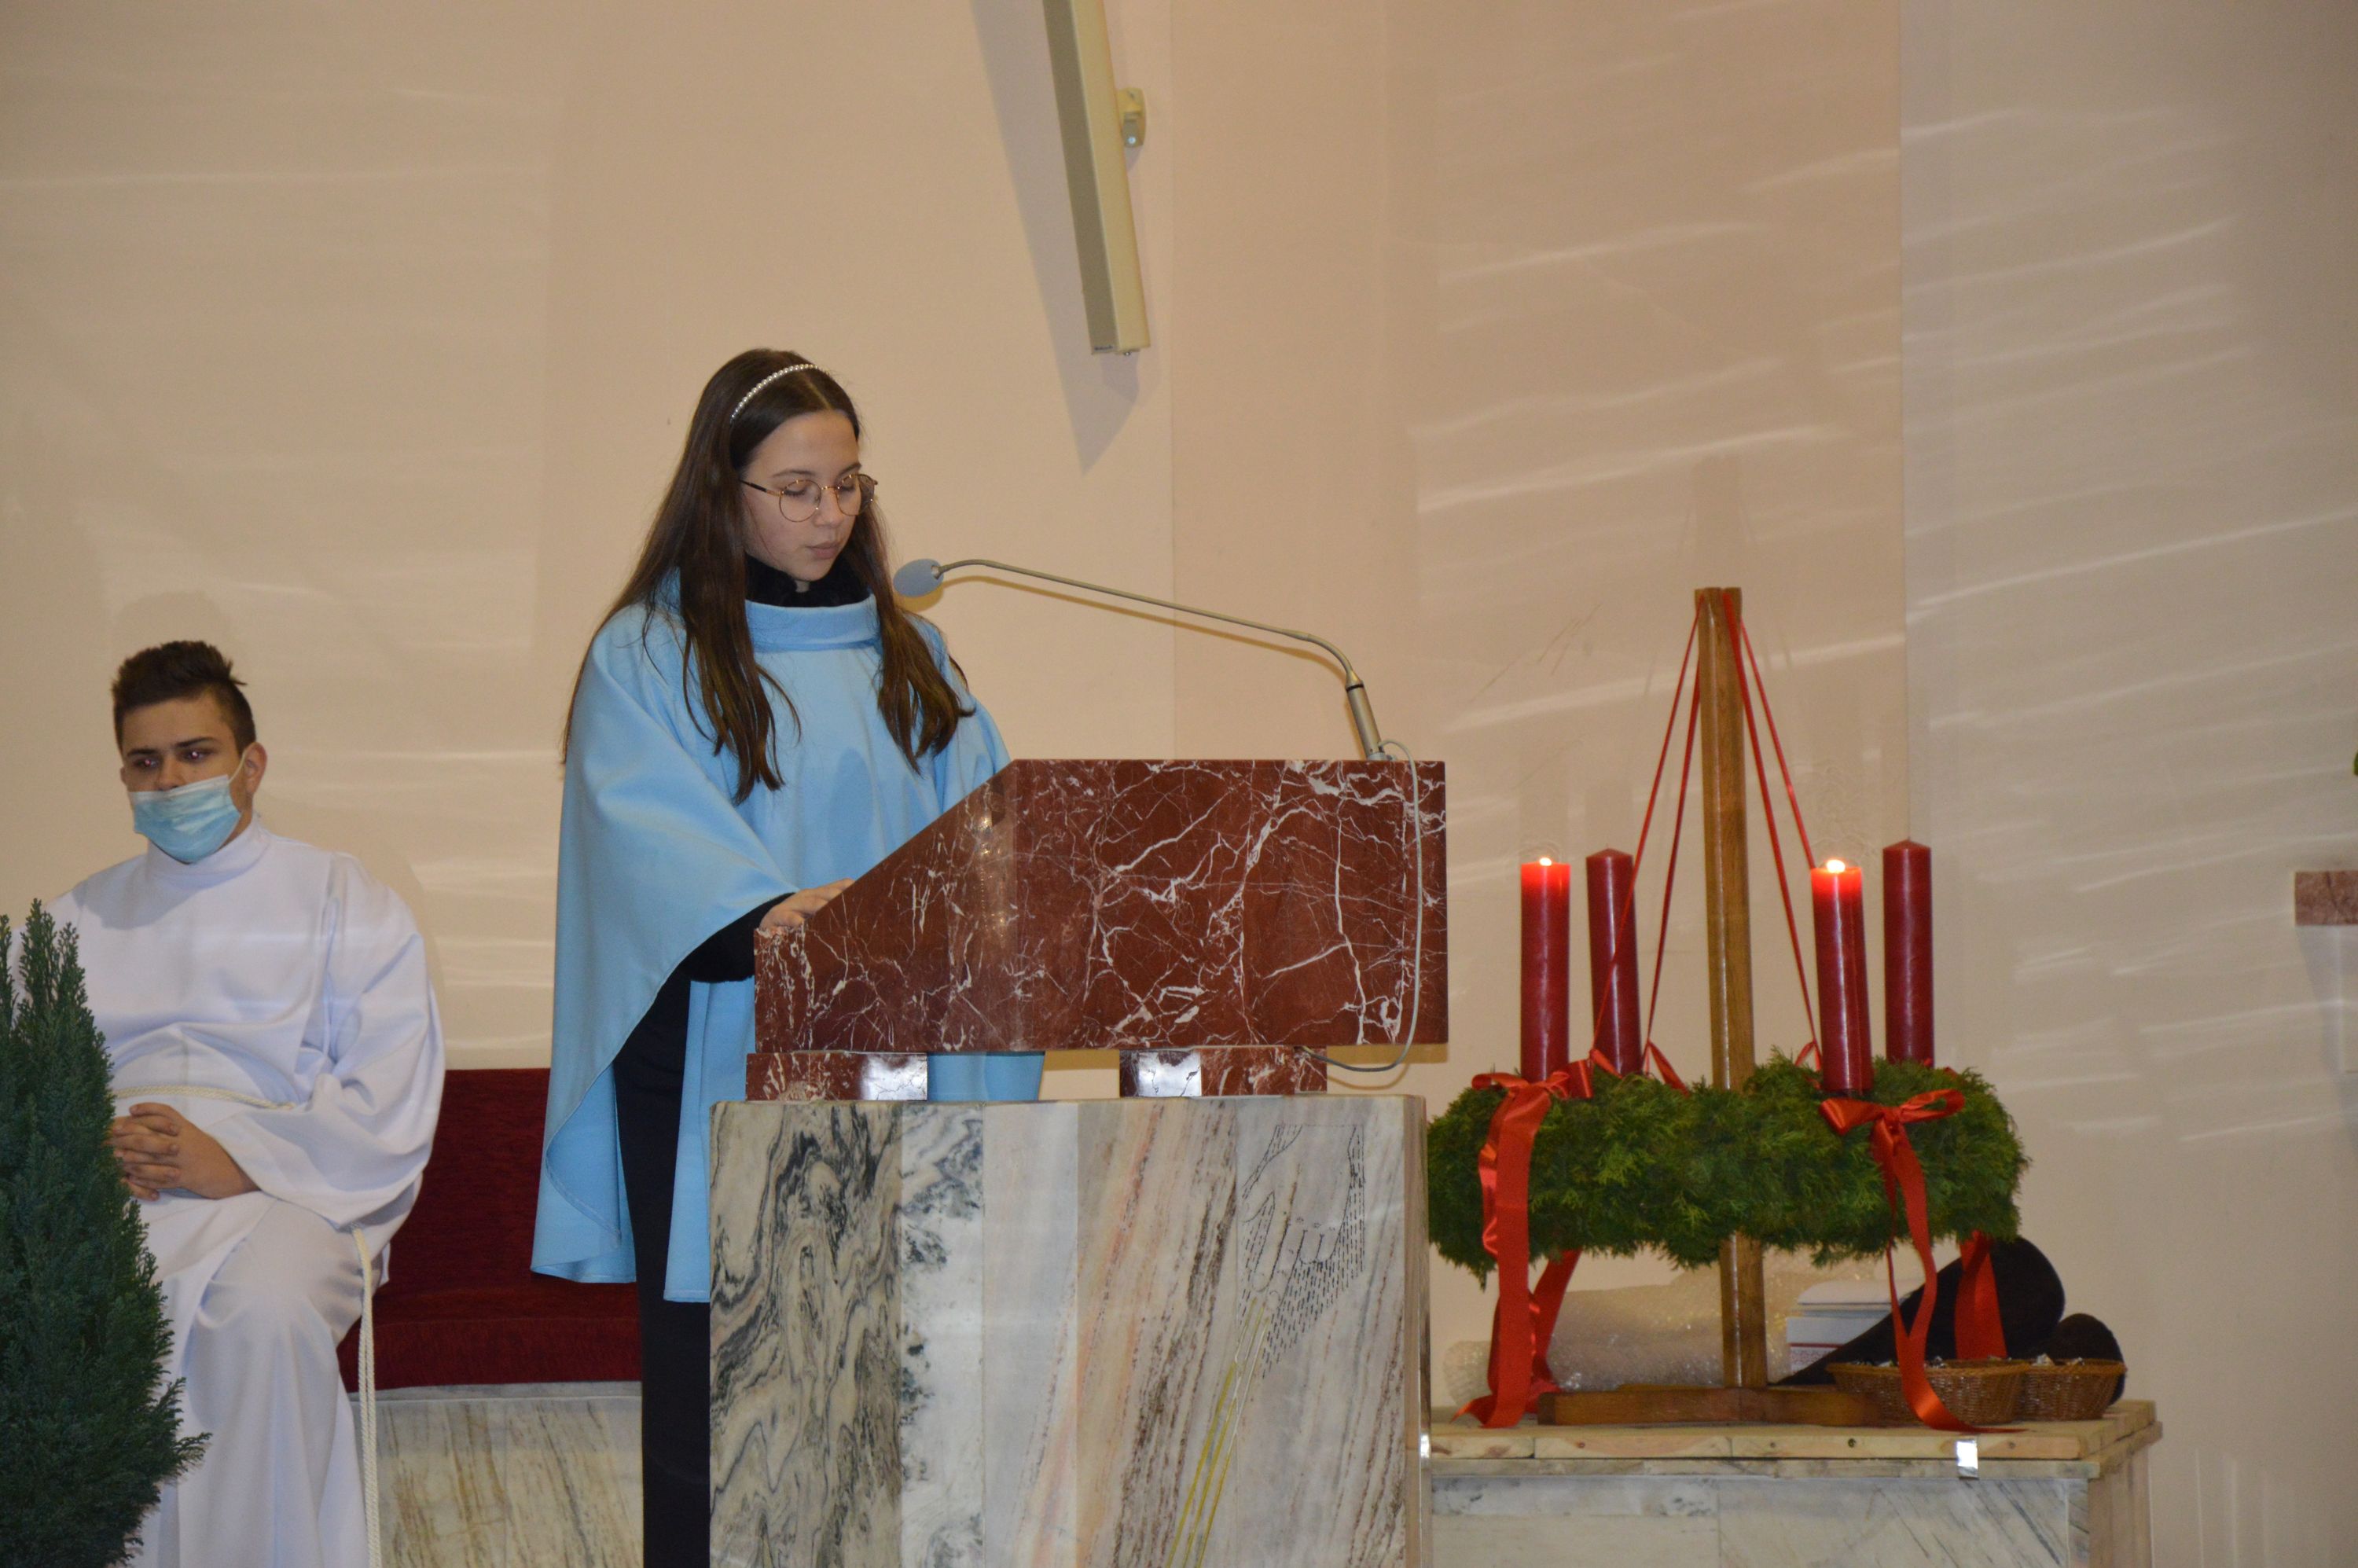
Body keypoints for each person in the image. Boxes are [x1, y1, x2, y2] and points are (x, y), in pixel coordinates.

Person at [531, 349, 1034, 1568]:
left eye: (848, 484)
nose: (830, 514)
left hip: (896, 1064)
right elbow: (640, 837)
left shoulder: (915, 659)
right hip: (719, 1055)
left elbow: (995, 841)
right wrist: (765, 908)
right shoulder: (648, 655)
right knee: (726, 1410)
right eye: (796, 488)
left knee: (890, 1395)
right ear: (724, 490)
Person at [47, 640, 446, 1568]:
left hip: (294, 1188)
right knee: (65, 1311)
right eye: (146, 762)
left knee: (259, 1312)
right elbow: (29, 1087)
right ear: (123, 778)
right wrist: (84, 1150)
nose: (170, 781)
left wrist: (237, 1158)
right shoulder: (72, 921)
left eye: (196, 754)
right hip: (116, 1188)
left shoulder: (344, 899)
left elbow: (390, 1090)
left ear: (250, 764)